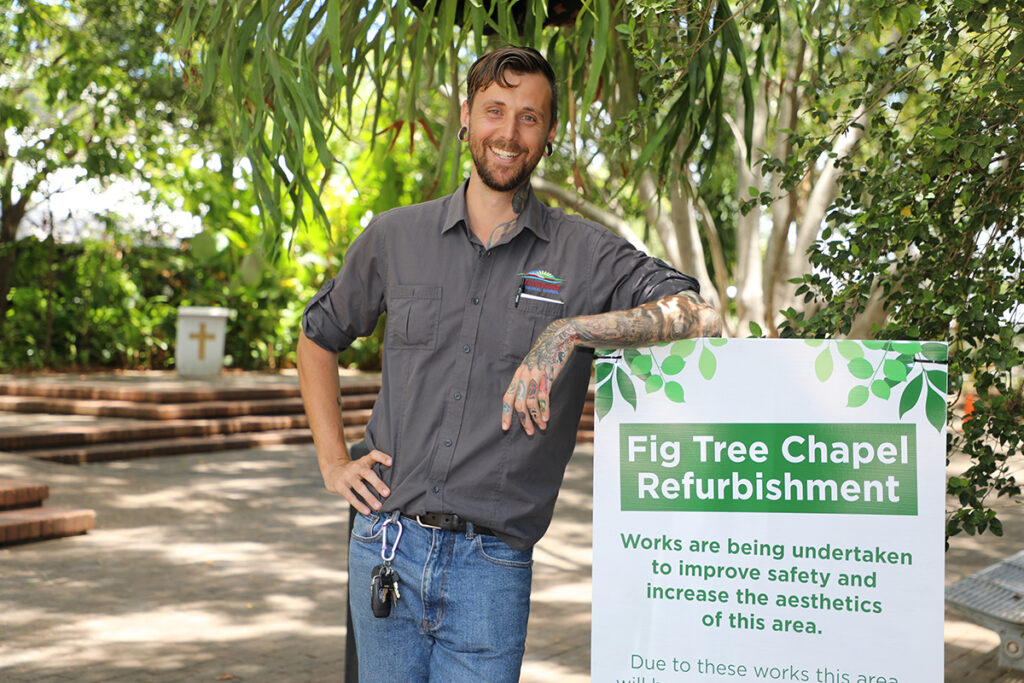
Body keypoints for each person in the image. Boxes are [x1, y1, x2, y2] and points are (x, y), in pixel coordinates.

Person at [297, 45, 722, 682]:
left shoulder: (585, 253)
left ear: (550, 135)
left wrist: (570, 331)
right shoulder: (395, 237)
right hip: (385, 545)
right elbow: (317, 336)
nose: (509, 132)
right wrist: (333, 460)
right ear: (465, 117)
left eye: (530, 117)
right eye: (495, 110)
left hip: (490, 568)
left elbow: (698, 313)